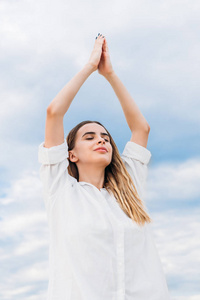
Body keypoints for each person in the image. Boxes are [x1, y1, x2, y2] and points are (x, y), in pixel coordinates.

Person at [38, 33, 171, 300]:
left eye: (105, 137)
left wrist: (110, 75)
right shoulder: (61, 191)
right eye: (89, 137)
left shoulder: (129, 186)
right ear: (71, 155)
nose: (101, 139)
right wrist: (91, 66)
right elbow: (54, 112)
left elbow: (140, 128)